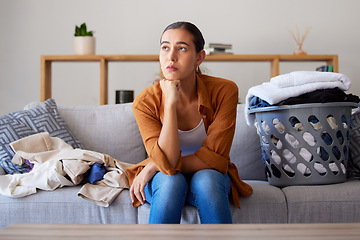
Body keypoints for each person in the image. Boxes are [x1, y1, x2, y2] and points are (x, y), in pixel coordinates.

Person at [126, 21, 253, 224]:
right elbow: (167, 167)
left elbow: (215, 158)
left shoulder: (224, 91)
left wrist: (153, 166)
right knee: (171, 182)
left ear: (199, 57)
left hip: (206, 179)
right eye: (165, 47)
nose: (171, 56)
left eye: (182, 48)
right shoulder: (144, 102)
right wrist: (170, 103)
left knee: (207, 180)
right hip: (165, 182)